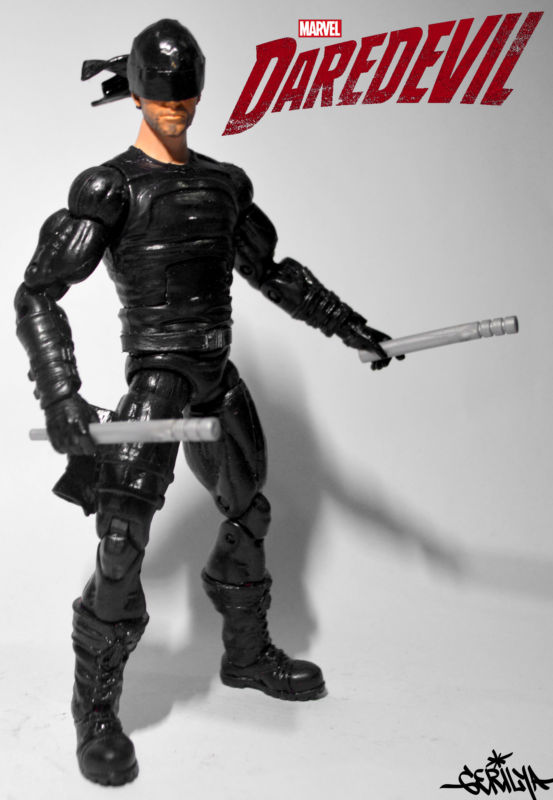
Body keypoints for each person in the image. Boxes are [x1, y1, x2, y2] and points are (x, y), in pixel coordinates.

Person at [15, 19, 399, 787]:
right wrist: (61, 396)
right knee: (121, 544)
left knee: (248, 514)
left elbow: (273, 271)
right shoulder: (110, 188)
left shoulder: (223, 185)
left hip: (216, 383)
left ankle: (246, 655)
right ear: (135, 92)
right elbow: (38, 292)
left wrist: (349, 327)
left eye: (186, 95)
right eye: (163, 95)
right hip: (157, 388)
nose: (176, 108)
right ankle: (95, 710)